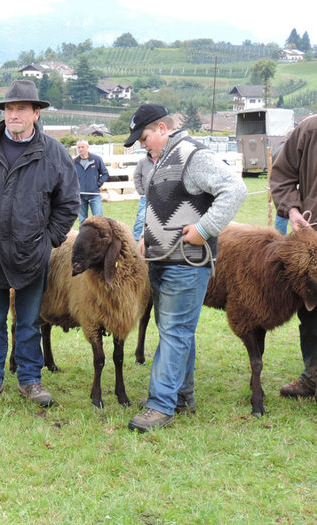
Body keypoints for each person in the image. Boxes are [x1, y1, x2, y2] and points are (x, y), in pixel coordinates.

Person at [0, 79, 80, 407]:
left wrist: (49, 240)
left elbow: (68, 203)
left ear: (36, 113)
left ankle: (30, 380)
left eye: (21, 108)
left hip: (30, 253)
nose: (14, 115)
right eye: (9, 109)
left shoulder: (53, 154)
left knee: (29, 320)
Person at [125, 104, 247, 432]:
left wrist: (204, 229)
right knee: (177, 332)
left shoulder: (193, 155)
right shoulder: (162, 159)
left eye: (145, 136)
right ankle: (181, 395)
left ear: (162, 129)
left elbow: (235, 189)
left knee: (175, 332)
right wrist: (145, 236)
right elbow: (160, 204)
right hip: (162, 260)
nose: (142, 144)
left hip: (187, 264)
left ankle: (160, 405)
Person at [270, 114, 317, 399]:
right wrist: (293, 210)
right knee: (311, 310)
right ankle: (311, 378)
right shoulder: (310, 129)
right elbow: (282, 175)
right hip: (312, 239)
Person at [74, 139, 109, 226]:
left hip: (94, 195)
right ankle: (83, 239)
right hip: (80, 195)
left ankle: (99, 239)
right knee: (82, 221)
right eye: (79, 147)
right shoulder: (74, 162)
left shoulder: (96, 159)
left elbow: (105, 173)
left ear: (87, 147)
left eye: (82, 147)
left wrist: (97, 184)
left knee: (99, 220)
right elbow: (70, 177)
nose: (80, 149)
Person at [131, 152, 155, 242]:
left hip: (161, 196)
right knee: (140, 220)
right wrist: (141, 191)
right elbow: (137, 176)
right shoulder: (142, 162)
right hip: (146, 197)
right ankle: (134, 243)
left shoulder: (164, 161)